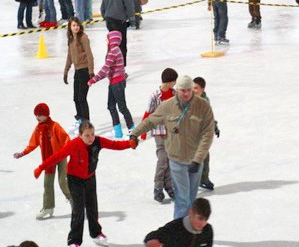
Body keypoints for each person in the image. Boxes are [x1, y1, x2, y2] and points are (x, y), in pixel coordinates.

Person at [33, 121, 137, 247]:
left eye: (92, 134)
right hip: (75, 180)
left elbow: (115, 144)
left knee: (93, 207)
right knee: (78, 210)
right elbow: (57, 156)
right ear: (80, 135)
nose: (91, 138)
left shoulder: (98, 141)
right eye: (87, 135)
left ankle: (96, 233)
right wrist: (41, 167)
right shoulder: (74, 144)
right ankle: (74, 241)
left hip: (90, 178)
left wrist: (129, 144)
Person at [130, 75, 215, 219]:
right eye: (183, 90)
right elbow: (151, 120)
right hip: (177, 160)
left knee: (191, 198)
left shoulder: (202, 106)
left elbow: (208, 133)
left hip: (195, 160)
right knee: (182, 199)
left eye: (189, 90)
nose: (186, 93)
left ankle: (189, 230)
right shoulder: (168, 105)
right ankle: (179, 232)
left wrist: (198, 159)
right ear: (177, 90)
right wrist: (135, 134)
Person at [14, 103, 73, 219]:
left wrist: (71, 151)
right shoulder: (39, 129)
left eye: (40, 115)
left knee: (62, 181)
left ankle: (74, 201)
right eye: (36, 115)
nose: (37, 118)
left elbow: (66, 138)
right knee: (47, 184)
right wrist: (22, 153)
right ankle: (48, 207)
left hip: (60, 156)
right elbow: (32, 144)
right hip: (48, 159)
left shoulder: (55, 126)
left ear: (46, 114)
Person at [88, 31, 135, 139]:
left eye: (107, 38)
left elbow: (105, 69)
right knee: (111, 106)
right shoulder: (115, 50)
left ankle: (132, 129)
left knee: (122, 107)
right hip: (115, 82)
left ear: (112, 40)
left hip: (117, 83)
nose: (106, 40)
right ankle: (118, 131)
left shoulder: (113, 51)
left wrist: (93, 80)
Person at [142, 68, 179, 202]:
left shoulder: (175, 94)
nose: (175, 84)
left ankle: (169, 186)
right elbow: (147, 113)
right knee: (162, 159)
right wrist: (143, 131)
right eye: (174, 81)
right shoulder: (155, 96)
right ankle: (158, 187)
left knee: (169, 159)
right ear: (169, 82)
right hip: (158, 131)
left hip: (171, 132)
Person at [144, 198, 214, 247]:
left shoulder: (207, 230)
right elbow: (153, 236)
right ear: (190, 213)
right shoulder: (174, 228)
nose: (203, 223)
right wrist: (152, 240)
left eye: (206, 219)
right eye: (200, 218)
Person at [64, 18, 95, 127]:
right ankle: (81, 120)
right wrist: (66, 71)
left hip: (85, 70)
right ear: (70, 27)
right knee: (76, 98)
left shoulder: (83, 38)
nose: (76, 27)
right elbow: (69, 56)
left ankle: (86, 123)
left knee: (82, 98)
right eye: (73, 25)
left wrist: (91, 72)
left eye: (77, 25)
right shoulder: (71, 39)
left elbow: (89, 55)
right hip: (77, 71)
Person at [101, 0, 136, 66]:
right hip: (119, 21)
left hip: (109, 20)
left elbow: (103, 4)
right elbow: (129, 5)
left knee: (112, 44)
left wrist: (105, 16)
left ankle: (110, 65)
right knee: (121, 45)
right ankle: (121, 67)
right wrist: (132, 19)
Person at [192, 77, 219, 191]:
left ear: (202, 89)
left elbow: (209, 116)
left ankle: (203, 179)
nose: (194, 90)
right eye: (192, 88)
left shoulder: (205, 100)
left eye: (196, 88)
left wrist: (215, 126)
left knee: (205, 156)